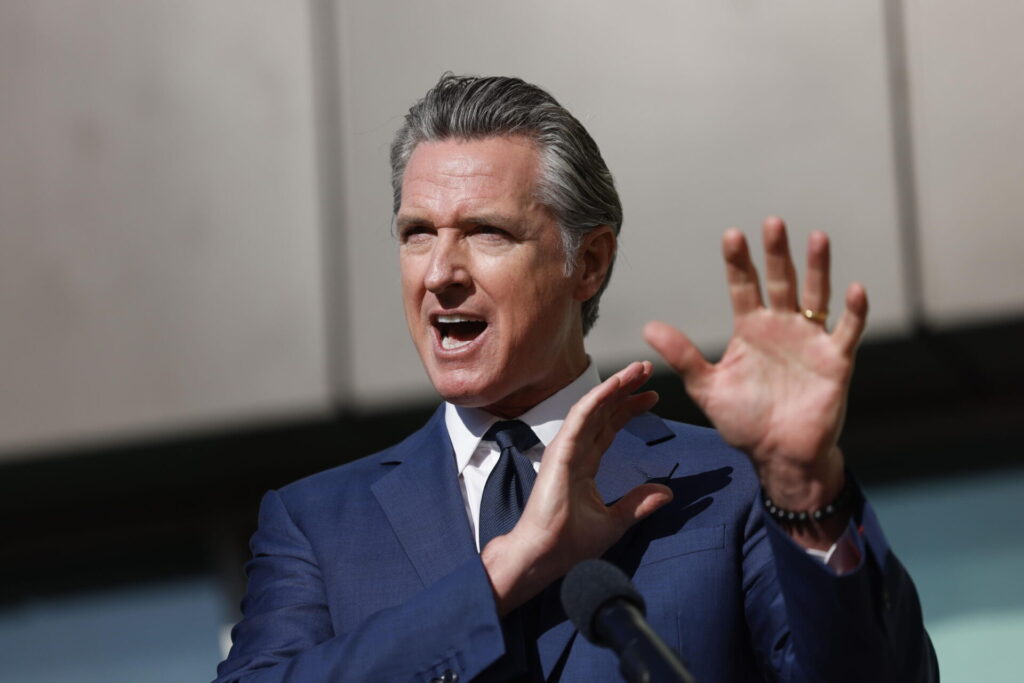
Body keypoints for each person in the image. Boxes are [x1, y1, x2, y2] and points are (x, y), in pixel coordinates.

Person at [215, 74, 936, 682]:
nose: (440, 273)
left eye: (487, 232)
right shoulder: (317, 524)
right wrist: (501, 575)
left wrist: (806, 488)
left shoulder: (731, 488)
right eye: (418, 233)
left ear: (587, 263)